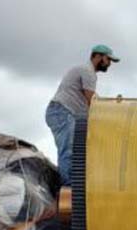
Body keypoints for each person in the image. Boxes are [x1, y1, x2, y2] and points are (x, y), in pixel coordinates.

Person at [45, 44, 120, 186]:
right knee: (69, 150)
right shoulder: (87, 72)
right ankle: (68, 189)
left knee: (76, 151)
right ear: (97, 56)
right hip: (62, 112)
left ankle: (73, 186)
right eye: (108, 59)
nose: (109, 63)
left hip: (62, 112)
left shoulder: (85, 72)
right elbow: (92, 102)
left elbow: (92, 102)